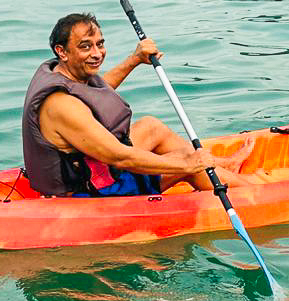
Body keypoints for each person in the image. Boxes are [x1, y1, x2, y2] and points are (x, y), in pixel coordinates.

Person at [21, 13, 249, 197]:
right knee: (184, 159)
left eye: (100, 44)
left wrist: (135, 59)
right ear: (61, 51)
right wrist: (187, 165)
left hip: (92, 168)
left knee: (151, 126)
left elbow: (95, 94)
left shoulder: (62, 72)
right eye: (85, 47)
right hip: (90, 191)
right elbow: (120, 157)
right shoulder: (62, 106)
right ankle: (251, 191)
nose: (97, 53)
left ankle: (223, 164)